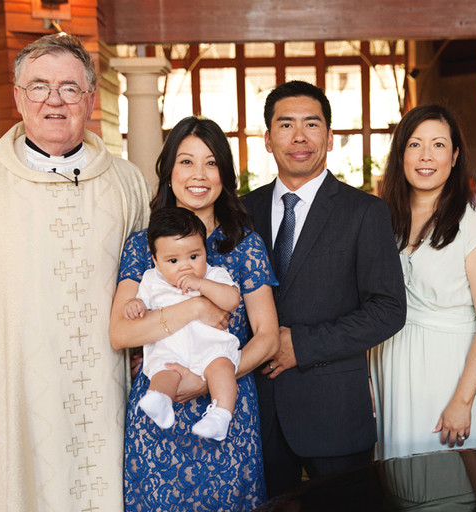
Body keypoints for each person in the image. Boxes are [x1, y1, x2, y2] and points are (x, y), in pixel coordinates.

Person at [0, 33, 151, 510]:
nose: (54, 101)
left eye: (68, 88)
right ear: (19, 97)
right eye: (39, 87)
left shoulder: (128, 183)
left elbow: (157, 279)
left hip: (106, 394)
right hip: (6, 395)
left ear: (89, 99)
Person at [243, 80, 406, 497]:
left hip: (333, 409)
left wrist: (301, 345)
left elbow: (388, 308)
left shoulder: (365, 212)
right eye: (286, 125)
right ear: (267, 139)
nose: (299, 137)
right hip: (256, 411)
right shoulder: (243, 211)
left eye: (311, 124)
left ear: (330, 138)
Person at [109, 115, 279, 511]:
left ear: (224, 174)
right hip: (158, 405)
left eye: (211, 162)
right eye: (186, 161)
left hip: (227, 406)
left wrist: (208, 382)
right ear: (168, 172)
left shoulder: (244, 244)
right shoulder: (142, 244)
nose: (198, 174)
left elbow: (268, 337)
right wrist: (195, 307)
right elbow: (120, 333)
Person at [370, 104, 476, 459]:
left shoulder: (473, 228)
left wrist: (462, 401)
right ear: (400, 155)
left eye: (439, 145)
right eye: (415, 145)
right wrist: (368, 377)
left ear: (455, 155)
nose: (425, 156)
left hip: (451, 375)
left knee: (449, 490)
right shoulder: (384, 221)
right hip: (393, 373)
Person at [126, 207, 241, 441]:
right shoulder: (151, 280)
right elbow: (141, 303)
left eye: (194, 256)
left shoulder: (214, 275)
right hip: (171, 346)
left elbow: (231, 300)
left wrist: (201, 285)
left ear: (205, 251)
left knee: (222, 369)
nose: (185, 266)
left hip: (211, 346)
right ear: (156, 262)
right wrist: (135, 304)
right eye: (173, 260)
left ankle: (220, 416)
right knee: (165, 371)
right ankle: (160, 400)